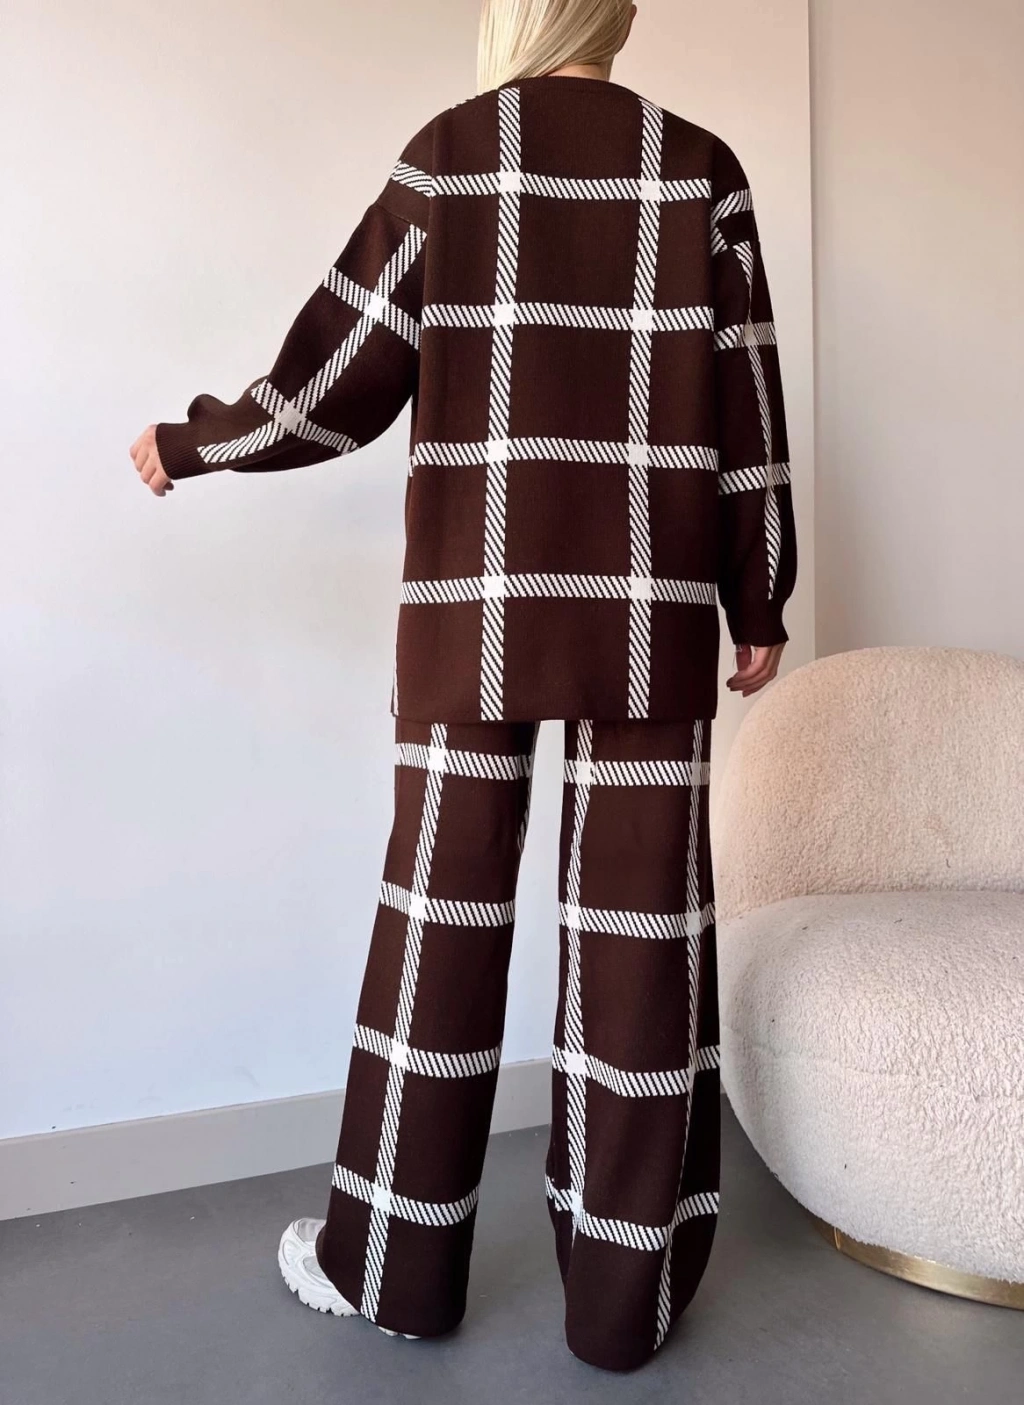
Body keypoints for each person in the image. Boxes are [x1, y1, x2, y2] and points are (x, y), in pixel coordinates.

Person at [130, 0, 797, 1373]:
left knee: (438, 931)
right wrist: (760, 592)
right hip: (648, 611)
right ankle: (623, 1307)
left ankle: (391, 1270)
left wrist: (196, 440)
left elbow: (334, 381)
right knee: (642, 948)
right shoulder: (701, 169)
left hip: (471, 618)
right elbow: (750, 411)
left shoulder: (450, 154)